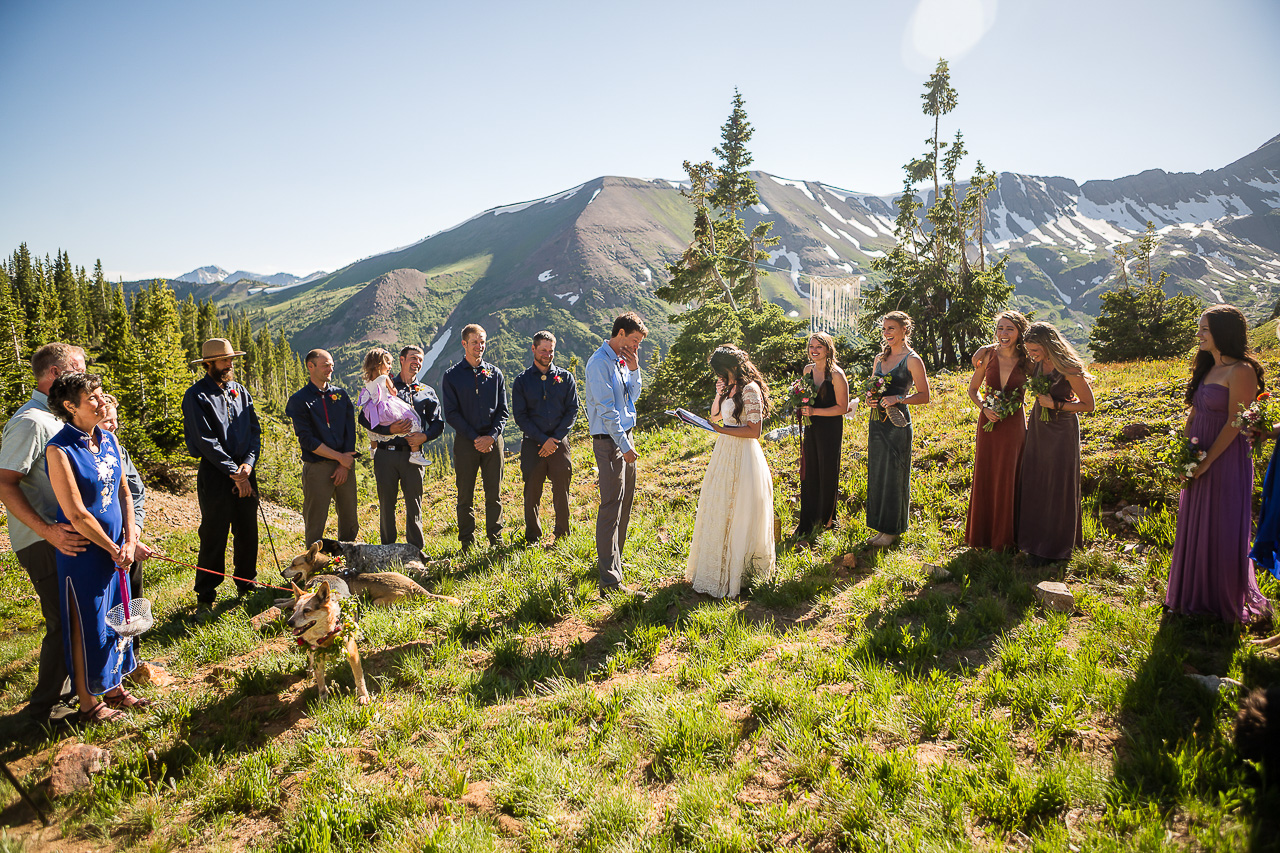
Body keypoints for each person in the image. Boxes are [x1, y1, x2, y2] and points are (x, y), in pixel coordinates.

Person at [45, 372, 147, 723]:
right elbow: (74, 511)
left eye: (101, 394)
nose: (102, 401)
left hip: (118, 548)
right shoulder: (59, 449)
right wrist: (109, 546)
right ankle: (89, 703)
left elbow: (123, 493)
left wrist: (130, 539)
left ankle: (115, 686)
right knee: (86, 621)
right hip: (85, 554)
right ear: (70, 406)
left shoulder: (108, 440)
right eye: (92, 398)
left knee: (120, 616)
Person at [0, 343, 88, 726]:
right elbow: (5, 483)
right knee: (64, 622)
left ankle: (73, 693)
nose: (86, 378)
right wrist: (48, 531)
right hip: (42, 540)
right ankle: (43, 710)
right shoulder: (32, 421)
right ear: (54, 374)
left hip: (65, 536)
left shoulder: (57, 417)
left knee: (78, 617)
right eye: (79, 370)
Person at [1166, 305, 1271, 622]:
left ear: (1223, 333)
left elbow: (1236, 422)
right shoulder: (1208, 367)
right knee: (1196, 520)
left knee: (1221, 524)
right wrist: (1186, 452)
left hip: (1225, 458)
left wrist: (1208, 462)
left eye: (1205, 329)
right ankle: (1191, 596)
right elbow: (1195, 412)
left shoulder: (1242, 370)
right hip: (1198, 454)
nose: (1199, 334)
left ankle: (1218, 602)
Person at [687, 345, 776, 598]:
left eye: (721, 371)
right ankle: (718, 567)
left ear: (733, 367)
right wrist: (718, 395)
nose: (720, 375)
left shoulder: (750, 390)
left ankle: (741, 573)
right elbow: (715, 416)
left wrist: (721, 431)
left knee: (741, 510)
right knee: (720, 506)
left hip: (744, 454)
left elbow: (754, 431)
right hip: (724, 453)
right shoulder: (728, 387)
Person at [182, 338, 262, 605]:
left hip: (245, 469)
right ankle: (206, 594)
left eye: (231, 359)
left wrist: (248, 465)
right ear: (208, 363)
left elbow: (254, 431)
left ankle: (246, 584)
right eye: (224, 360)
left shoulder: (240, 390)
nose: (229, 364)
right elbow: (205, 441)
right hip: (216, 474)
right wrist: (235, 473)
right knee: (214, 533)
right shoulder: (196, 396)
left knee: (248, 530)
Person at [1015, 322, 1095, 566]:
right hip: (1039, 425)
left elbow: (1088, 405)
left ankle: (1056, 547)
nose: (1032, 356)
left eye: (1035, 351)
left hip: (1061, 430)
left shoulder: (1069, 368)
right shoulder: (1039, 362)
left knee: (1057, 483)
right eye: (1029, 351)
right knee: (1037, 479)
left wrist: (1056, 405)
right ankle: (1035, 543)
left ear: (1048, 345)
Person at [357, 344, 444, 548]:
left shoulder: (427, 392)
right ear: (402, 360)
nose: (417, 362)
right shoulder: (384, 385)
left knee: (414, 504)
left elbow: (438, 423)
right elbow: (363, 417)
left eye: (420, 359)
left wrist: (424, 437)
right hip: (385, 455)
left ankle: (416, 551)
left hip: (412, 456)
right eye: (413, 358)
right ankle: (388, 550)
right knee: (387, 505)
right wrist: (390, 431)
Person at [585, 312, 647, 595]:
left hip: (624, 438)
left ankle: (614, 564)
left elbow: (631, 398)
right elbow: (607, 411)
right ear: (620, 333)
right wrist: (625, 445)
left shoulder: (622, 361)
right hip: (610, 441)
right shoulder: (599, 363)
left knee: (625, 504)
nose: (636, 347)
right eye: (634, 341)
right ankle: (609, 580)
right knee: (611, 507)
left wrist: (635, 370)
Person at [964, 312, 1030, 551]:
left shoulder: (1027, 360)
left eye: (1009, 329)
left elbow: (1044, 379)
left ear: (1020, 332)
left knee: (1010, 474)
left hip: (1014, 425)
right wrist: (984, 408)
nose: (1003, 334)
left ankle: (1007, 539)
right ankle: (982, 537)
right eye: (1000, 328)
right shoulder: (988, 356)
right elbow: (973, 389)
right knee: (986, 473)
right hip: (988, 423)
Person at [865, 312, 930, 548]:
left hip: (897, 425)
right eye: (884, 329)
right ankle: (881, 526)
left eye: (891, 328)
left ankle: (893, 530)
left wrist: (898, 398)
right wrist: (870, 399)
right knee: (878, 473)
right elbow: (871, 388)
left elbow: (925, 396)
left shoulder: (912, 360)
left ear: (905, 330)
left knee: (895, 474)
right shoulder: (879, 359)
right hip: (877, 423)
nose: (887, 333)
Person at [441, 325, 509, 550]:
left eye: (482, 342)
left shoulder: (495, 373)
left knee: (494, 493)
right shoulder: (452, 376)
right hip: (466, 442)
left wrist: (490, 436)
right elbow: (451, 413)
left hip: (493, 441)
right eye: (474, 342)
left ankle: (495, 539)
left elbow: (503, 411)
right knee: (465, 495)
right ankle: (467, 543)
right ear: (464, 344)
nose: (479, 347)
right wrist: (475, 438)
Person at [511, 331, 579, 545]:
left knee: (562, 491)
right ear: (533, 349)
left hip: (560, 444)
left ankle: (563, 534)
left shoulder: (566, 377)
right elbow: (520, 416)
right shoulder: (521, 381)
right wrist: (542, 439)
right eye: (543, 350)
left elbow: (572, 410)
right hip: (533, 445)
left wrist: (555, 439)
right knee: (531, 492)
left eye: (551, 351)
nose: (547, 355)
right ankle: (533, 536)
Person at [286, 349, 358, 546]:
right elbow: (307, 440)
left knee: (350, 519)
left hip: (345, 465)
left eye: (331, 364)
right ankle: (312, 565)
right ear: (311, 366)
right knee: (315, 521)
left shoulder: (341, 395)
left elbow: (350, 431)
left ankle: (346, 563)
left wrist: (344, 463)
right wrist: (339, 458)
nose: (330, 368)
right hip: (317, 467)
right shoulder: (299, 400)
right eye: (325, 364)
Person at [792, 332, 850, 540]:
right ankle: (808, 520)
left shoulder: (836, 375)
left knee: (826, 470)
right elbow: (805, 396)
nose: (814, 351)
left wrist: (815, 412)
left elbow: (842, 408)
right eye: (811, 347)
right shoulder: (808, 370)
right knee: (810, 470)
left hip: (830, 427)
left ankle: (827, 519)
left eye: (819, 347)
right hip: (811, 426)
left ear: (828, 350)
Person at [101, 394, 151, 601]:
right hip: (105, 542)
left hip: (130, 539)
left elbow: (136, 493)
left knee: (134, 594)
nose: (114, 426)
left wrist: (134, 534)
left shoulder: (120, 451)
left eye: (116, 420)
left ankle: (135, 633)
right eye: (107, 421)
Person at [357, 348, 430, 468]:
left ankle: (373, 448)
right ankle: (415, 453)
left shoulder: (368, 380)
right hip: (386, 404)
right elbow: (393, 391)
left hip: (372, 407)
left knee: (373, 426)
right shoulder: (384, 378)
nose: (390, 366)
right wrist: (392, 389)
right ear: (379, 364)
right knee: (411, 419)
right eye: (388, 363)